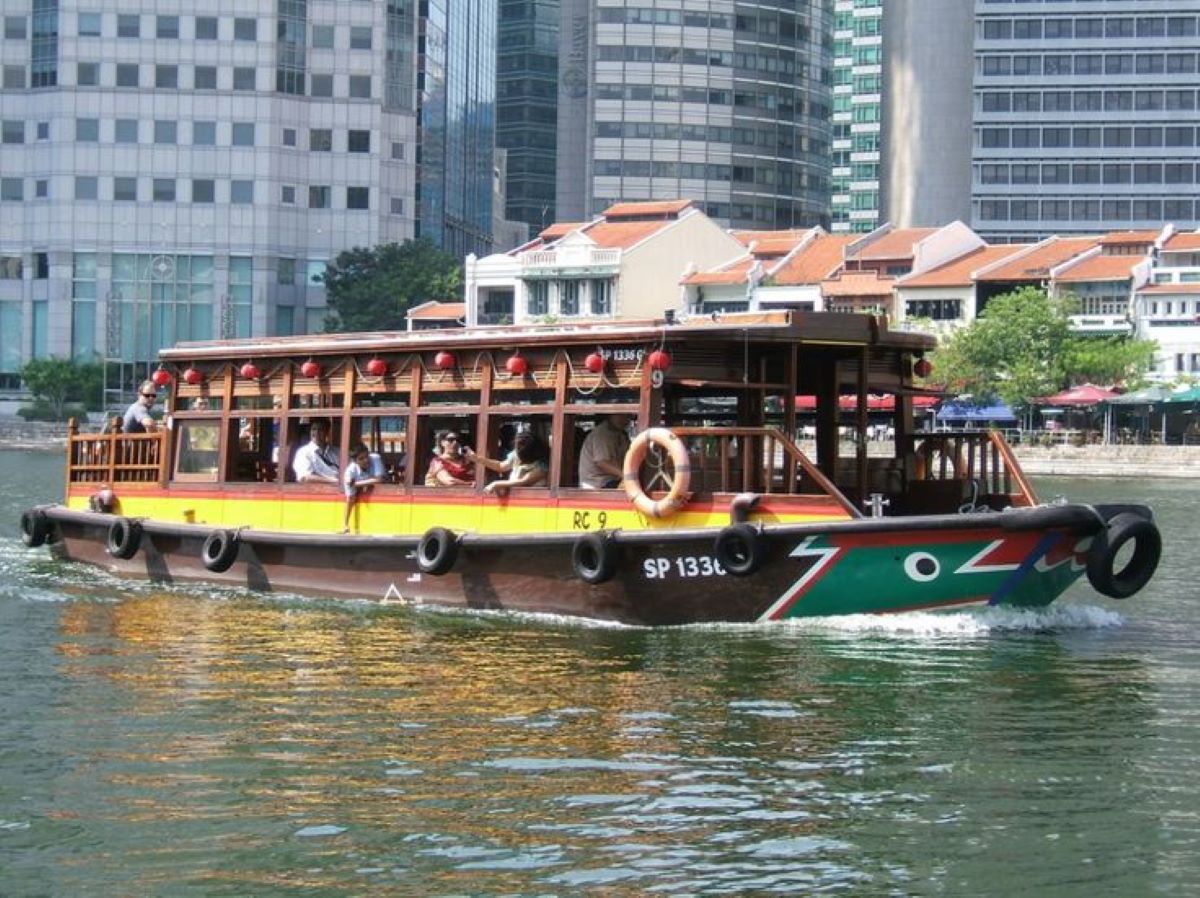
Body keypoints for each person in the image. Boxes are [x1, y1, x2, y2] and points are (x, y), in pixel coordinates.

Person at [468, 431, 548, 495]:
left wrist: (496, 484)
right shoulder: (517, 453)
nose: (517, 454)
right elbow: (500, 466)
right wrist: (477, 458)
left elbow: (523, 481)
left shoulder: (542, 466)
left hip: (532, 501)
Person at [578, 413, 631, 488]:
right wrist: (627, 477)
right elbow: (603, 463)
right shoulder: (602, 433)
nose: (623, 419)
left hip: (611, 480)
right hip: (597, 484)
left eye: (627, 416)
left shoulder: (621, 435)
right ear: (609, 416)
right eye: (618, 414)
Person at [342, 443, 386, 532]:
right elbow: (350, 498)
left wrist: (357, 484)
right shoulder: (350, 473)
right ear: (355, 461)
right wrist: (346, 524)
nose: (366, 460)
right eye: (361, 459)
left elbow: (380, 480)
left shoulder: (375, 458)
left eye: (366, 456)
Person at [292, 419, 340, 483]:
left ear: (327, 432)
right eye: (314, 429)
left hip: (339, 490)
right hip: (314, 491)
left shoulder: (337, 452)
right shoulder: (303, 452)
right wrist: (333, 481)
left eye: (320, 430)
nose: (316, 433)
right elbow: (304, 478)